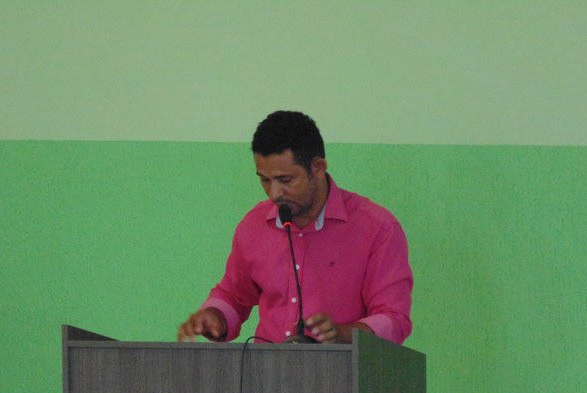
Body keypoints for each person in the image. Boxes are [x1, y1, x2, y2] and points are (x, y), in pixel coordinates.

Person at [177, 110, 413, 345]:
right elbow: (233, 296)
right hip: (265, 367)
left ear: (318, 167)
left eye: (285, 180)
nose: (274, 193)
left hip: (342, 367)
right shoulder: (253, 226)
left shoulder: (378, 228)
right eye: (264, 180)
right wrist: (214, 316)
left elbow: (394, 319)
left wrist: (343, 335)